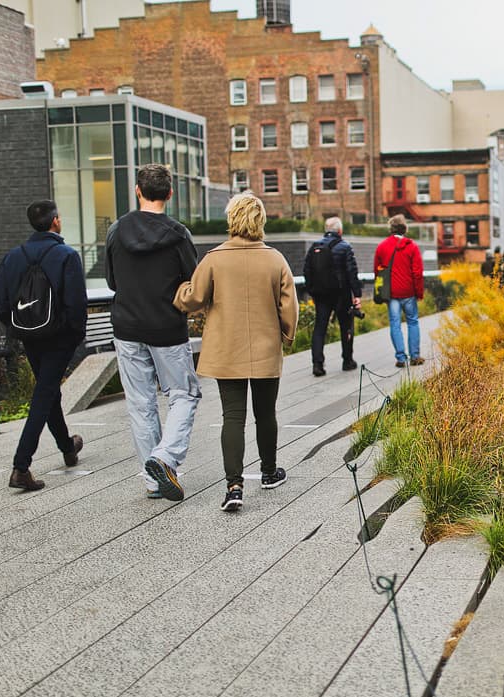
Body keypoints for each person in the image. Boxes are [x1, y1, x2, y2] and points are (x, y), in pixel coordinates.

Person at [174, 192, 298, 512]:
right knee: (265, 413)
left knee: (233, 416)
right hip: (265, 346)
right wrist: (287, 334)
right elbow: (289, 306)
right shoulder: (275, 259)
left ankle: (234, 486)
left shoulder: (214, 258)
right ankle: (269, 473)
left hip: (227, 348)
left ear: (232, 219)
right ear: (260, 221)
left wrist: (179, 292)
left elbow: (193, 298)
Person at [105, 164, 201, 502]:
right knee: (184, 395)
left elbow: (111, 281)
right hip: (167, 326)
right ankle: (164, 458)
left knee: (141, 402)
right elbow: (195, 282)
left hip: (127, 326)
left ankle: (152, 479)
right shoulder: (179, 234)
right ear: (170, 193)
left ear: (137, 190)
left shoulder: (117, 230)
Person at [0, 200, 86, 491]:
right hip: (59, 339)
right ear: (55, 221)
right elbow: (76, 305)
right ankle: (21, 467)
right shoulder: (66, 256)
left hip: (29, 337)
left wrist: (18, 329)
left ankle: (67, 448)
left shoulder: (12, 257)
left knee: (48, 391)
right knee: (44, 393)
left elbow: (0, 305)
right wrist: (74, 337)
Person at [303, 216, 362, 377]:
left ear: (326, 229)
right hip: (341, 294)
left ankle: (317, 364)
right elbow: (352, 272)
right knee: (346, 326)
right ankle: (347, 361)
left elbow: (306, 271)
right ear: (340, 231)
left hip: (321, 294)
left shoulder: (315, 246)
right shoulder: (344, 246)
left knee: (320, 327)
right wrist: (357, 294)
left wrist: (312, 291)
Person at [374, 215, 424, 368]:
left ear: (391, 229)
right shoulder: (412, 246)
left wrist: (381, 292)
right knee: (412, 322)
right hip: (409, 292)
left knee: (395, 324)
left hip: (392, 294)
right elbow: (417, 272)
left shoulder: (382, 247)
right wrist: (419, 292)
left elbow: (377, 271)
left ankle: (401, 358)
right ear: (404, 229)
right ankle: (415, 357)